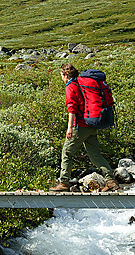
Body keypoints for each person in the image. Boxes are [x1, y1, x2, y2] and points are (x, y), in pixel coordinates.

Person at [50, 63, 119, 192]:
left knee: (67, 153)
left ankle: (64, 182)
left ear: (65, 75)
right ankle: (111, 180)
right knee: (95, 155)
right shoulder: (81, 84)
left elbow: (72, 108)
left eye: (61, 75)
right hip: (91, 125)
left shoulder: (71, 86)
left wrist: (69, 127)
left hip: (79, 126)